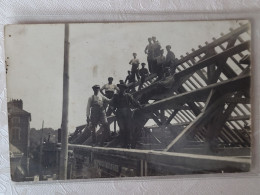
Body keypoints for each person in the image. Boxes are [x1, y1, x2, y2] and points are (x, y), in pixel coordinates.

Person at [110, 83, 142, 148]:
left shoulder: (128, 95)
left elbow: (134, 102)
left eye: (123, 88)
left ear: (125, 89)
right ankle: (123, 144)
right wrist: (114, 111)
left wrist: (140, 106)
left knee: (128, 128)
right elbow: (111, 105)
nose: (121, 89)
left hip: (127, 113)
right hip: (119, 113)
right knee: (122, 128)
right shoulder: (116, 96)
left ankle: (128, 144)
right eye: (120, 88)